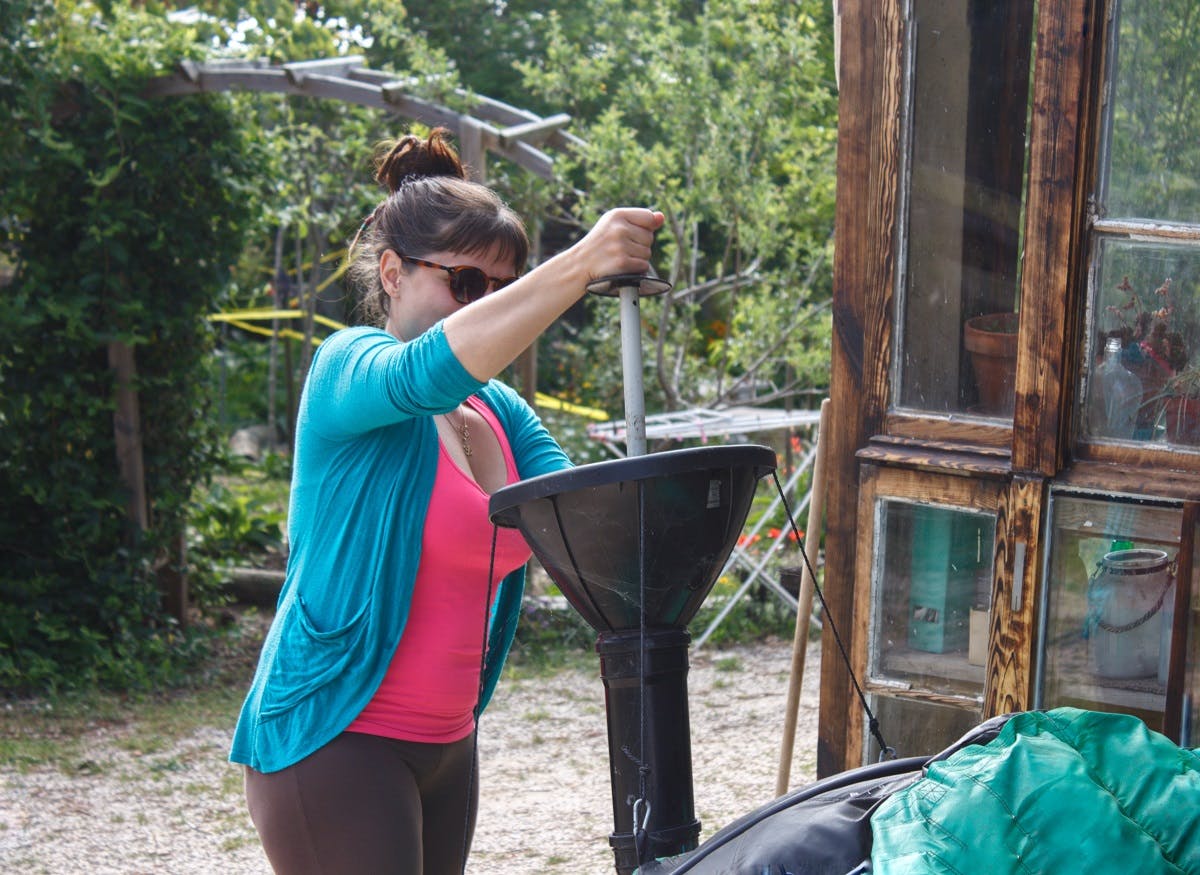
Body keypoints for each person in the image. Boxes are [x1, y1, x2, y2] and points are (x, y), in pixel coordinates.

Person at [229, 126, 664, 875]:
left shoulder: (500, 410)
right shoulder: (349, 369)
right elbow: (421, 376)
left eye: (503, 290)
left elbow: (579, 521)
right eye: (465, 284)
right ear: (392, 273)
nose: (487, 307)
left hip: (449, 743)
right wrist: (582, 263)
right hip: (335, 737)